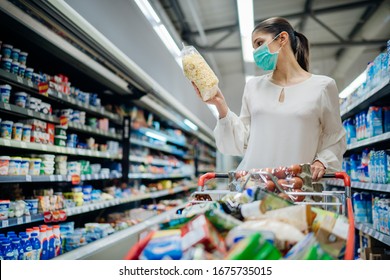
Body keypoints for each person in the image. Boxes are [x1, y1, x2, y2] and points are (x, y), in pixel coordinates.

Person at [192, 17, 346, 181]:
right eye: (254, 47)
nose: (256, 52)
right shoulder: (253, 86)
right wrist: (220, 104)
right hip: (254, 186)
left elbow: (335, 137)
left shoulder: (323, 86)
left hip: (297, 188)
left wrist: (322, 161)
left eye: (259, 43)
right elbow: (241, 141)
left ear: (282, 38)